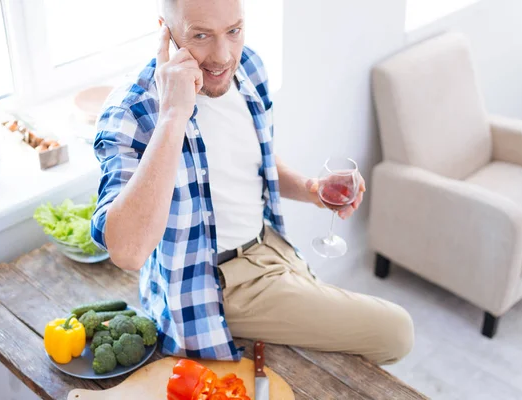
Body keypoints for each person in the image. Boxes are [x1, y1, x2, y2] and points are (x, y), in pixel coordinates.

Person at [91, 0, 414, 364]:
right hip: (214, 285)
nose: (222, 55)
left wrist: (312, 190)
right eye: (201, 35)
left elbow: (254, 161)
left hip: (271, 246)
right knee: (397, 331)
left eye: (234, 30)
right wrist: (172, 116)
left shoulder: (248, 67)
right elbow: (127, 251)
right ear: (165, 30)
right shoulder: (130, 112)